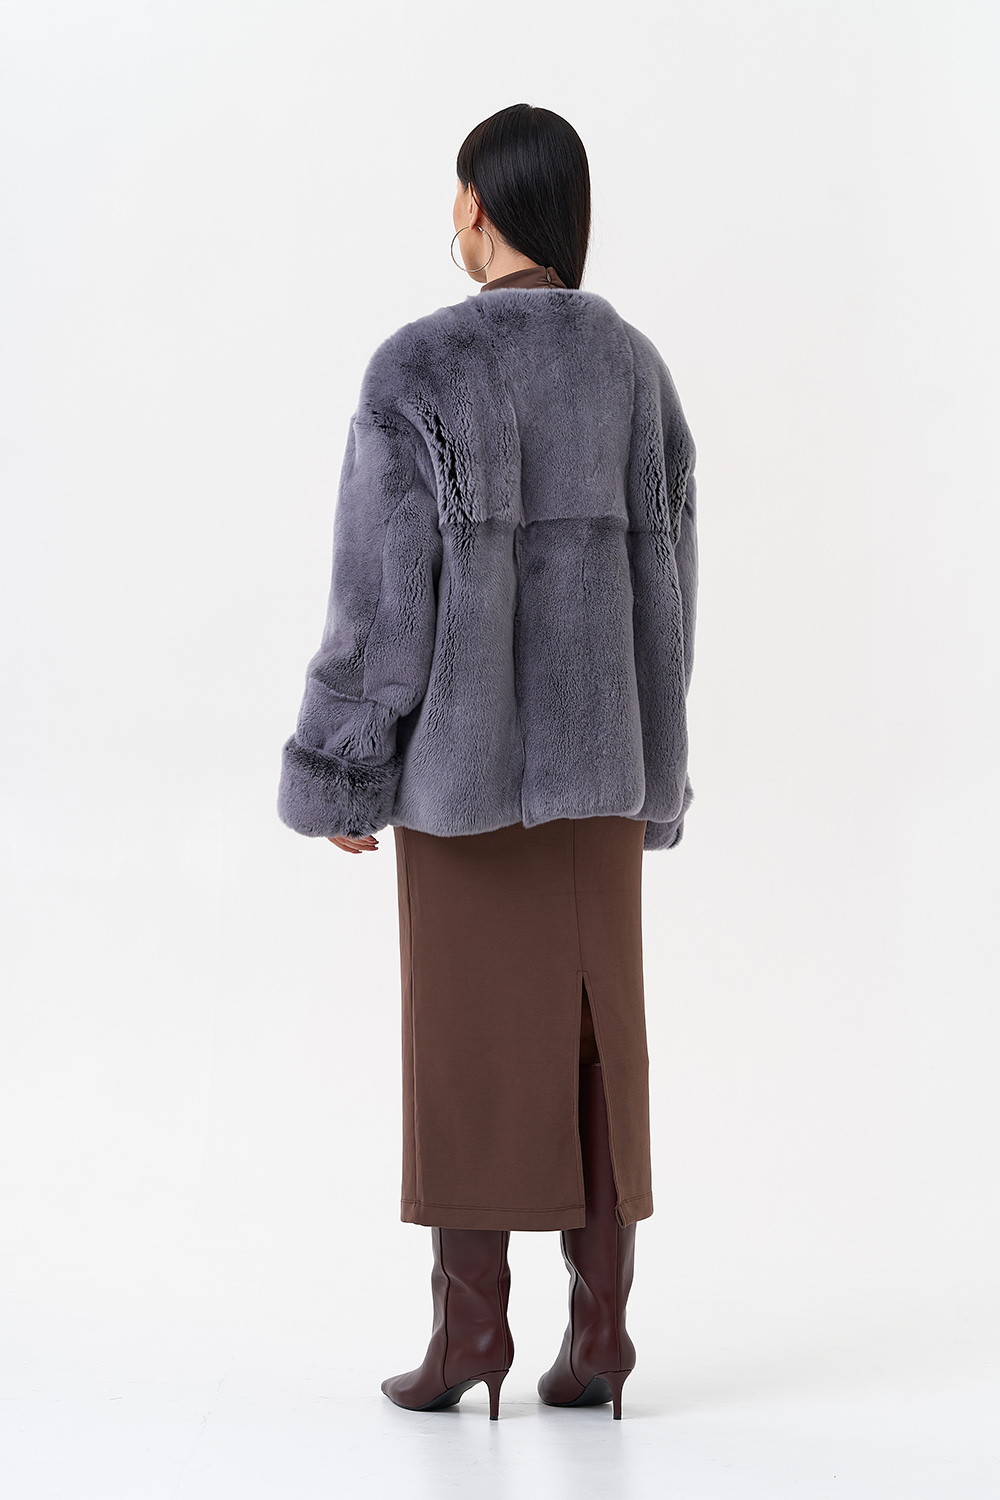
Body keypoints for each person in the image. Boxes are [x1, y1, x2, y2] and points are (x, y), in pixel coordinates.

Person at [277, 103, 699, 1421]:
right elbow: (672, 595)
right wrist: (658, 766)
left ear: (475, 204)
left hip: (463, 783)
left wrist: (348, 762)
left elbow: (379, 599)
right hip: (602, 775)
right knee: (598, 1041)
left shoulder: (420, 370)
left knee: (464, 1044)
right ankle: (603, 1337)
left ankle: (470, 1343)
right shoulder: (635, 370)